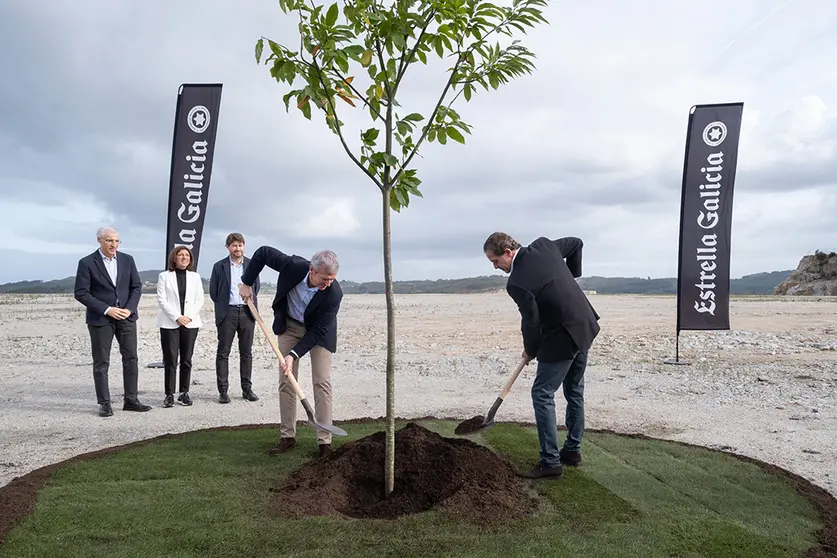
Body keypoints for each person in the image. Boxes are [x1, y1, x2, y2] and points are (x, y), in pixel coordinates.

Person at [483, 232, 600, 479]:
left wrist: (531, 349)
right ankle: (572, 451)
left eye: (495, 261)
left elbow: (531, 321)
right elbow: (577, 243)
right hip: (584, 324)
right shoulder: (545, 246)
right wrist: (571, 275)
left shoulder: (516, 283)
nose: (495, 267)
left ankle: (550, 462)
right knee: (574, 389)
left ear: (508, 252)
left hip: (563, 335)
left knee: (542, 393)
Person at [238, 246, 342, 457]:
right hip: (290, 326)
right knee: (286, 381)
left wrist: (293, 355)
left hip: (318, 334)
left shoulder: (333, 293)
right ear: (312, 270)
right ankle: (287, 437)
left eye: (332, 279)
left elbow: (318, 331)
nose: (328, 283)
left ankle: (324, 442)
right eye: (325, 279)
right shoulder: (293, 266)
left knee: (322, 382)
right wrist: (247, 283)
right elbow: (263, 253)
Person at [73, 227, 153, 417]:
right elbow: (81, 293)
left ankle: (131, 400)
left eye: (117, 241)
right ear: (99, 240)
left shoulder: (127, 260)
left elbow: (136, 287)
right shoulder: (86, 263)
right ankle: (104, 403)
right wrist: (107, 309)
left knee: (131, 358)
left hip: (126, 316)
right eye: (109, 240)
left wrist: (129, 309)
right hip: (101, 318)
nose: (114, 244)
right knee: (102, 362)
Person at [209, 233, 261, 403]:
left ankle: (247, 389)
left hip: (247, 312)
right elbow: (214, 292)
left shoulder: (251, 265)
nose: (237, 248)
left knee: (246, 353)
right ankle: (223, 391)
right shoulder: (219, 266)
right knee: (223, 353)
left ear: (243, 246)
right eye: (234, 246)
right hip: (227, 313)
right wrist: (225, 306)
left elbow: (256, 287)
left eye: (240, 245)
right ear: (228, 247)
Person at [156, 246, 205, 408]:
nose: (184, 257)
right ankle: (169, 394)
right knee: (170, 359)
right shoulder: (164, 276)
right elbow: (162, 300)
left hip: (191, 323)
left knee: (186, 359)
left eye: (187, 255)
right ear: (174, 258)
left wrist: (188, 317)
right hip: (170, 323)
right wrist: (177, 317)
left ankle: (184, 393)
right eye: (181, 255)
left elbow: (200, 299)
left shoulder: (195, 277)